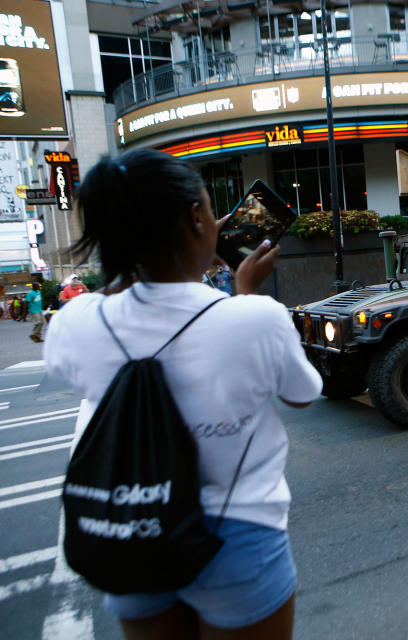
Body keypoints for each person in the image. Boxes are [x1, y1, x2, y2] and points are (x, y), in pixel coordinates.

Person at [44, 148, 323, 640]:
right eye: (212, 212)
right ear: (196, 218)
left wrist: (163, 265)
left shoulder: (74, 323)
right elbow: (303, 393)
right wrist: (246, 291)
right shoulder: (253, 316)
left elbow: (105, 338)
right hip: (236, 533)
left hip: (130, 532)